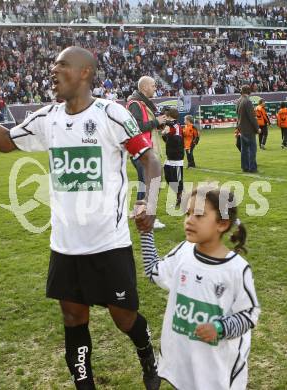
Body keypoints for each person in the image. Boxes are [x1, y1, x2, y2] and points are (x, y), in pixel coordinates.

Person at [0, 46, 162, 390]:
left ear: (84, 73)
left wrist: (149, 204)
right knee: (73, 317)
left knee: (124, 318)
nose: (54, 71)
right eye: (53, 65)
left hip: (109, 243)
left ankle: (147, 357)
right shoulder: (47, 118)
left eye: (62, 65)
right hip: (65, 246)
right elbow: (6, 142)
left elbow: (150, 160)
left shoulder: (111, 114)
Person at [134, 185, 260, 390]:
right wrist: (146, 231)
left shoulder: (236, 270)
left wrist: (220, 328)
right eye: (187, 213)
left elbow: (249, 314)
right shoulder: (185, 251)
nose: (189, 220)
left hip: (219, 369)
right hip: (187, 361)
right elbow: (153, 271)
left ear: (222, 224)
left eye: (199, 214)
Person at [126, 76, 167, 229]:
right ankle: (148, 218)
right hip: (141, 151)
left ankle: (138, 213)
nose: (155, 88)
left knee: (144, 185)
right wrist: (157, 122)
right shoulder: (135, 104)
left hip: (142, 150)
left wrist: (158, 125)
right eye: (153, 85)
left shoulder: (139, 103)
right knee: (150, 185)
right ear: (144, 88)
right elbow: (137, 127)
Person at [161, 107, 184, 207]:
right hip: (169, 156)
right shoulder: (169, 125)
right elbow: (167, 140)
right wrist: (164, 135)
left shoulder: (176, 125)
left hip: (177, 157)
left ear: (170, 115)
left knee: (177, 179)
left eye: (166, 115)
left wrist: (168, 134)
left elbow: (178, 140)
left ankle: (181, 198)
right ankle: (180, 196)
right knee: (168, 176)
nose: (164, 117)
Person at [236, 85, 261, 173]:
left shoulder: (239, 101)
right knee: (252, 149)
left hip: (242, 129)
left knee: (244, 150)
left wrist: (238, 127)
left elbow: (238, 116)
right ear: (249, 91)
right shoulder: (248, 101)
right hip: (249, 130)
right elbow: (252, 117)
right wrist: (257, 128)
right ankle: (252, 168)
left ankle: (245, 167)